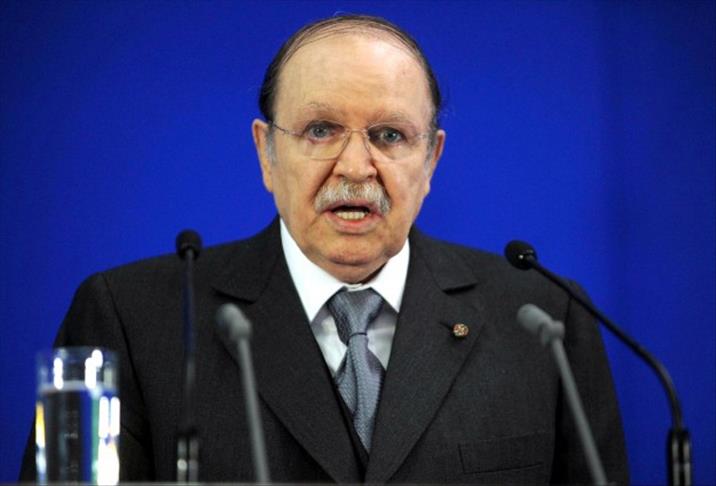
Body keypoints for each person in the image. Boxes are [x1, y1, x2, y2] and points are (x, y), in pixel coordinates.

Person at [21, 14, 628, 483]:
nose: (356, 167)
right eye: (320, 130)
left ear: (431, 160)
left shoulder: (543, 320)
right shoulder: (133, 318)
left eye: (389, 135)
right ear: (266, 153)